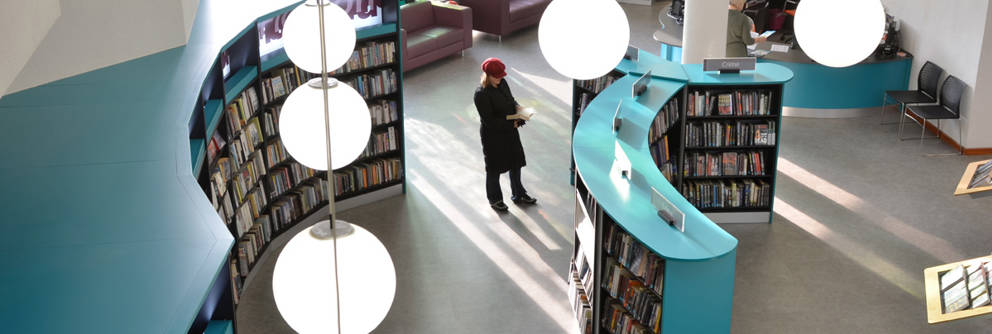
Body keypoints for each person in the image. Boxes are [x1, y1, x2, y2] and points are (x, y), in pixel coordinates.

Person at [473, 57, 537, 212]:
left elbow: (510, 100)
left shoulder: (503, 83)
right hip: (493, 137)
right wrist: (513, 124)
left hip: (510, 133)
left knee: (515, 163)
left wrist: (518, 107)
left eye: (502, 75)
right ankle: (495, 199)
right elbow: (489, 121)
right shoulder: (481, 94)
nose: (501, 78)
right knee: (494, 168)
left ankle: (519, 194)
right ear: (488, 76)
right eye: (497, 76)